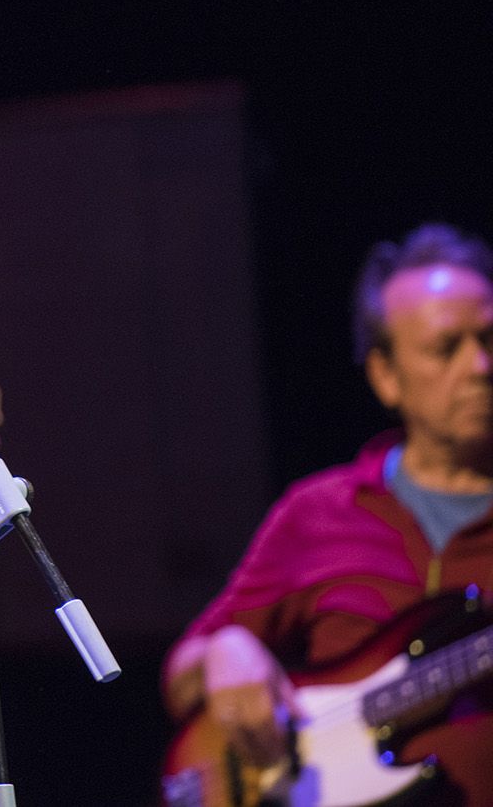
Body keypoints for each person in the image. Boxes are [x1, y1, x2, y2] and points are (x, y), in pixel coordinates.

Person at [163, 222, 493, 803]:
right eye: (448, 348)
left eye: (488, 341)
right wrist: (225, 649)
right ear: (386, 376)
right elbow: (182, 676)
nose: (480, 366)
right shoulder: (316, 513)